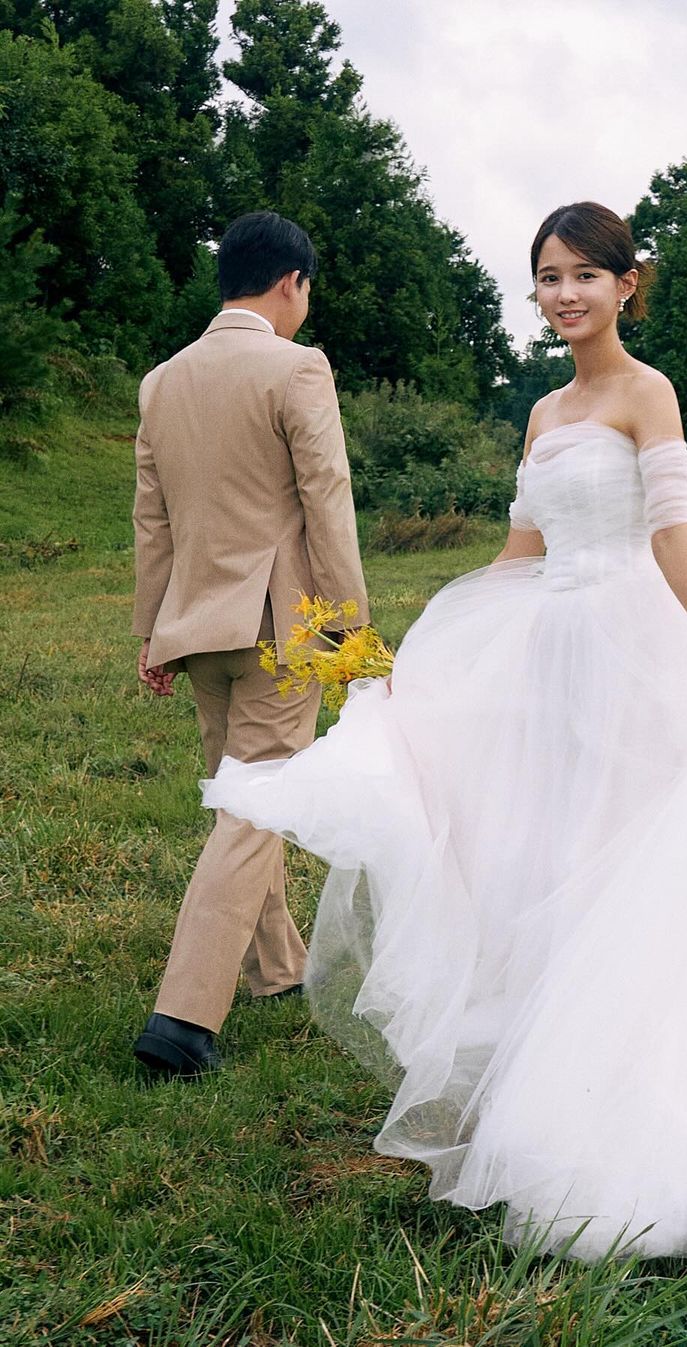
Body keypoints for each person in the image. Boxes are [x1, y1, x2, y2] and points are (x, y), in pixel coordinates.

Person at [203, 202, 687, 1266]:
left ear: (630, 285)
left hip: (638, 648)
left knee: (637, 869)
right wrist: (424, 664)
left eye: (585, 274)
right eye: (547, 277)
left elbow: (673, 540)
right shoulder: (541, 413)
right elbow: (517, 553)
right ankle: (555, 1104)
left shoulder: (648, 393)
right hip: (551, 651)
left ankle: (664, 1133)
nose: (564, 294)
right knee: (549, 858)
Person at [132, 211, 368, 1079]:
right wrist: (348, 627)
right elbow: (327, 499)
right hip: (281, 629)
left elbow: (150, 522)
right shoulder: (298, 366)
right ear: (291, 283)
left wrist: (152, 632)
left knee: (244, 801)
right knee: (256, 809)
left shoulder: (161, 381)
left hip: (195, 631)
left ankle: (278, 967)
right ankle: (184, 1016)